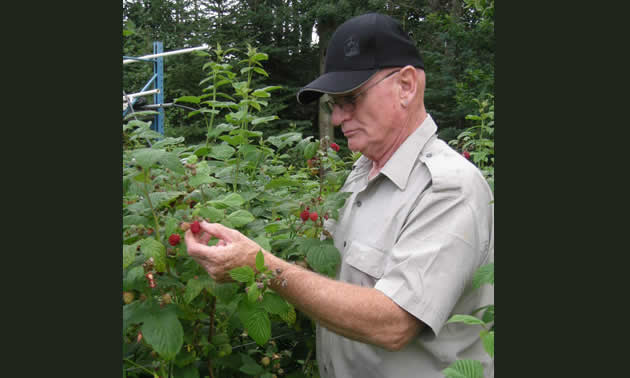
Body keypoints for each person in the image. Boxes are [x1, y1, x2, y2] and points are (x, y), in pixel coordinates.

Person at [185, 12, 494, 378]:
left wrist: (263, 267)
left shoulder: (448, 187)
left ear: (407, 86)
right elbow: (332, 276)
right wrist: (242, 259)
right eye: (334, 103)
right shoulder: (361, 174)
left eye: (350, 98)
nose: (337, 117)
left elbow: (394, 322)